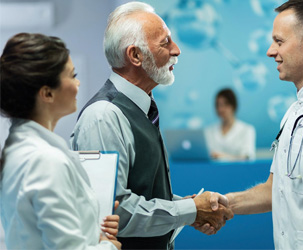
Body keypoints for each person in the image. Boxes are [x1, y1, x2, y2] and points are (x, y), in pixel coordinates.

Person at [70, 2, 233, 250]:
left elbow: (141, 194)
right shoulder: (104, 116)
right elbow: (115, 211)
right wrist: (189, 210)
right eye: (165, 42)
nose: (177, 50)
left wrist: (189, 208)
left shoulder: (142, 108)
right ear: (135, 55)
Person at [208, 0, 303, 249]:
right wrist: (222, 203)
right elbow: (275, 189)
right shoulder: (294, 114)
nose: (270, 51)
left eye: (279, 41)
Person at [0, 33, 121, 250]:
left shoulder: (19, 150)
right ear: (47, 93)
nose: (78, 82)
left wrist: (91, 221)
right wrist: (108, 247)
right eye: (72, 75)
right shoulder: (46, 160)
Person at [205, 88, 256, 160]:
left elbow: (247, 157)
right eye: (218, 105)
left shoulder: (247, 130)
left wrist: (222, 157)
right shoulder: (209, 131)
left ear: (233, 106)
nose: (221, 109)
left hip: (238, 170)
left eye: (225, 104)